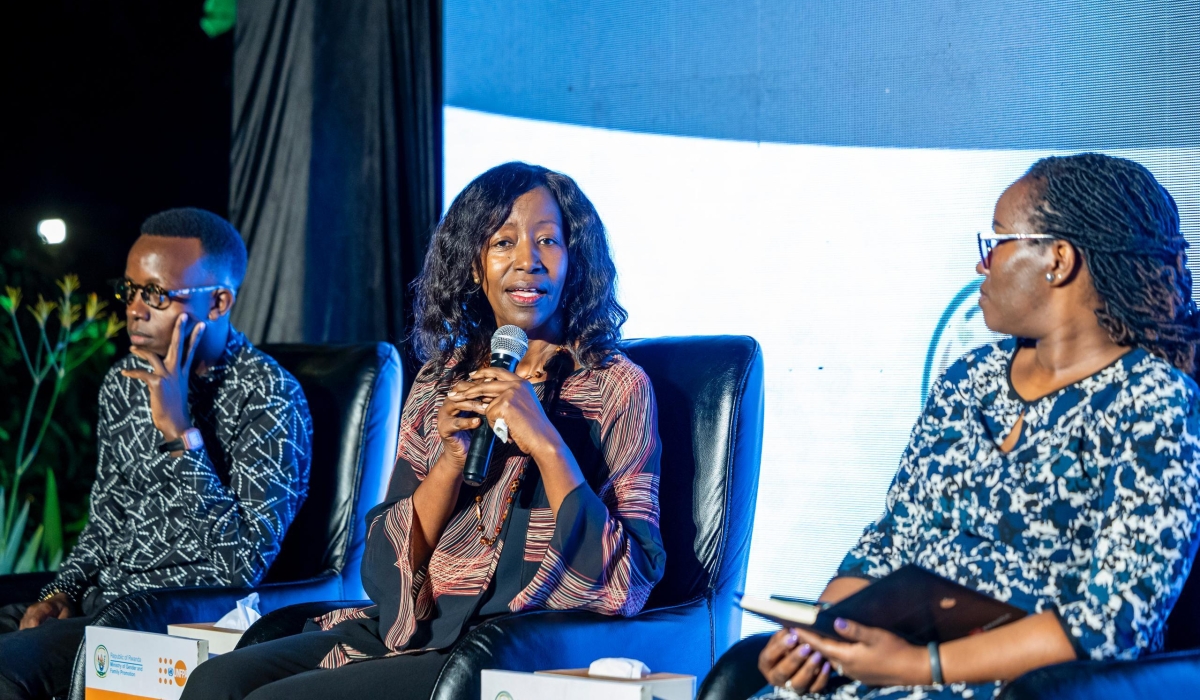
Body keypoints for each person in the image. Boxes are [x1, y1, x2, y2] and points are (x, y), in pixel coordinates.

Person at [184, 162, 666, 699]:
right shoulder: (443, 380)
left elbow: (630, 579)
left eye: (548, 241)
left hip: (511, 645)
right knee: (215, 682)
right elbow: (383, 565)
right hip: (410, 630)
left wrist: (547, 442)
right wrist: (452, 460)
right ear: (475, 267)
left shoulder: (616, 387)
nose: (527, 261)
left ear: (575, 261)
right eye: (503, 243)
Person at [756, 153, 1200, 699]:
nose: (981, 266)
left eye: (996, 243)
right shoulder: (968, 379)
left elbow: (1113, 624)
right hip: (884, 674)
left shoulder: (1153, 401)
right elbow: (887, 546)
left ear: (1057, 259)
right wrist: (823, 642)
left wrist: (921, 667)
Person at [0, 208, 313, 700]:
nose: (135, 309)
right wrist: (57, 592)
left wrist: (178, 431)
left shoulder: (269, 397)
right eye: (130, 290)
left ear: (219, 302)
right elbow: (107, 519)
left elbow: (243, 564)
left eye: (157, 294)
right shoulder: (124, 382)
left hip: (176, 622)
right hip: (104, 604)